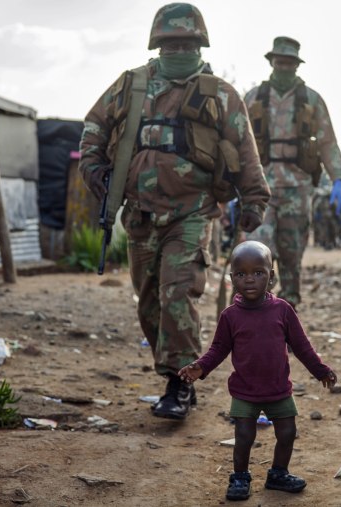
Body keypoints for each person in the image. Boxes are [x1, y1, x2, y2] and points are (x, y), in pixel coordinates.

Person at [79, 3, 270, 420]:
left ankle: (179, 382)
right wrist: (93, 167)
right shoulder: (131, 85)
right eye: (171, 43)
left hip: (192, 213)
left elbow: (245, 150)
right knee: (149, 301)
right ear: (157, 44)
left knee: (178, 292)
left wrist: (254, 200)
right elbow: (94, 126)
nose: (179, 48)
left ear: (200, 44)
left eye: (187, 42)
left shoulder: (219, 93)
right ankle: (173, 375)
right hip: (140, 215)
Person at [178, 240, 337, 501]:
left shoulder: (283, 310)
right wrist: (201, 367)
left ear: (271, 276)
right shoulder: (230, 316)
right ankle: (240, 477)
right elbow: (218, 349)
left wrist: (320, 370)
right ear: (232, 278)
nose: (249, 280)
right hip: (244, 390)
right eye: (241, 274)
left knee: (287, 433)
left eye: (258, 273)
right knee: (243, 436)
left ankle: (278, 474)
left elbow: (301, 345)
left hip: (278, 389)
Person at [244, 36, 341, 308]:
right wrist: (231, 185)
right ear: (272, 62)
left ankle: (287, 317)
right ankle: (256, 314)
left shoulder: (311, 100)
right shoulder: (253, 98)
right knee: (256, 253)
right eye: (280, 61)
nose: (285, 67)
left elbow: (327, 142)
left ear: (297, 65)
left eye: (290, 62)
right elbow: (237, 142)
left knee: (292, 257)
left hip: (298, 190)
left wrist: (338, 180)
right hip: (259, 189)